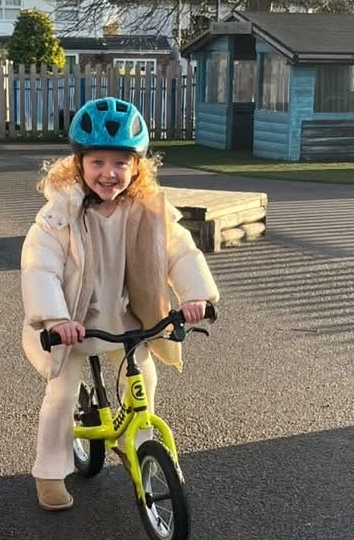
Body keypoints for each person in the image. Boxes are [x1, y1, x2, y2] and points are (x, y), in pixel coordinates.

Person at [21, 96, 219, 511]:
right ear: (78, 165)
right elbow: (41, 269)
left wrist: (195, 294)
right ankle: (51, 472)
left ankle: (137, 444)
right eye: (97, 163)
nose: (109, 174)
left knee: (144, 379)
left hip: (124, 319)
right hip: (74, 324)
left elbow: (179, 252)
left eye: (120, 163)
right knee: (61, 395)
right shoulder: (59, 216)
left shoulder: (145, 210)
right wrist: (56, 319)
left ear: (137, 167)